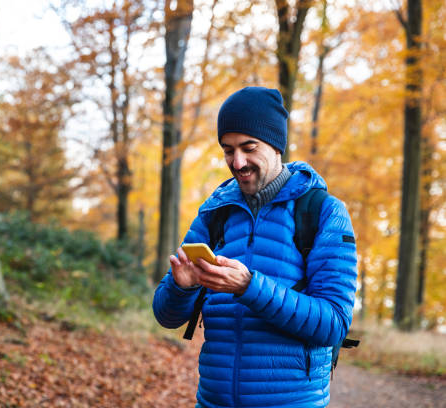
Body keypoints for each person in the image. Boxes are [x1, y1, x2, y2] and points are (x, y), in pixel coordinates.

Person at [152, 87, 358, 408]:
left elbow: (333, 324)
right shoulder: (214, 215)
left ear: (277, 146)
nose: (237, 162)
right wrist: (181, 288)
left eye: (249, 148)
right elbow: (165, 316)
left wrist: (249, 287)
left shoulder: (324, 213)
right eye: (228, 150)